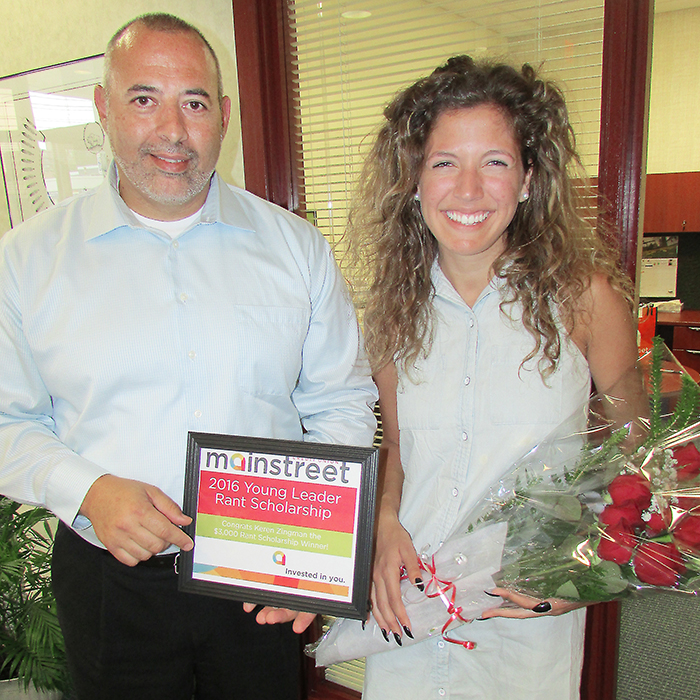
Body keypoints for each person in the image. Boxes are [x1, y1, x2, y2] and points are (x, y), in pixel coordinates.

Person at [0, 13, 377, 700]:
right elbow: (6, 421)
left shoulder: (295, 249)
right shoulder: (28, 260)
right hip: (111, 580)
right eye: (144, 98)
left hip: (264, 569)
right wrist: (85, 488)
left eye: (195, 103)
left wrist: (318, 557)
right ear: (104, 109)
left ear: (224, 117)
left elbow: (341, 404)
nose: (172, 131)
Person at [349, 56, 638, 699]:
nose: (469, 190)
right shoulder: (394, 313)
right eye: (445, 162)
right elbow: (398, 450)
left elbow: (640, 457)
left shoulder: (582, 299)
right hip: (411, 604)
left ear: (529, 179)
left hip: (527, 614)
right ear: (415, 181)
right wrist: (386, 521)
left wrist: (584, 572)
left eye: (496, 163)